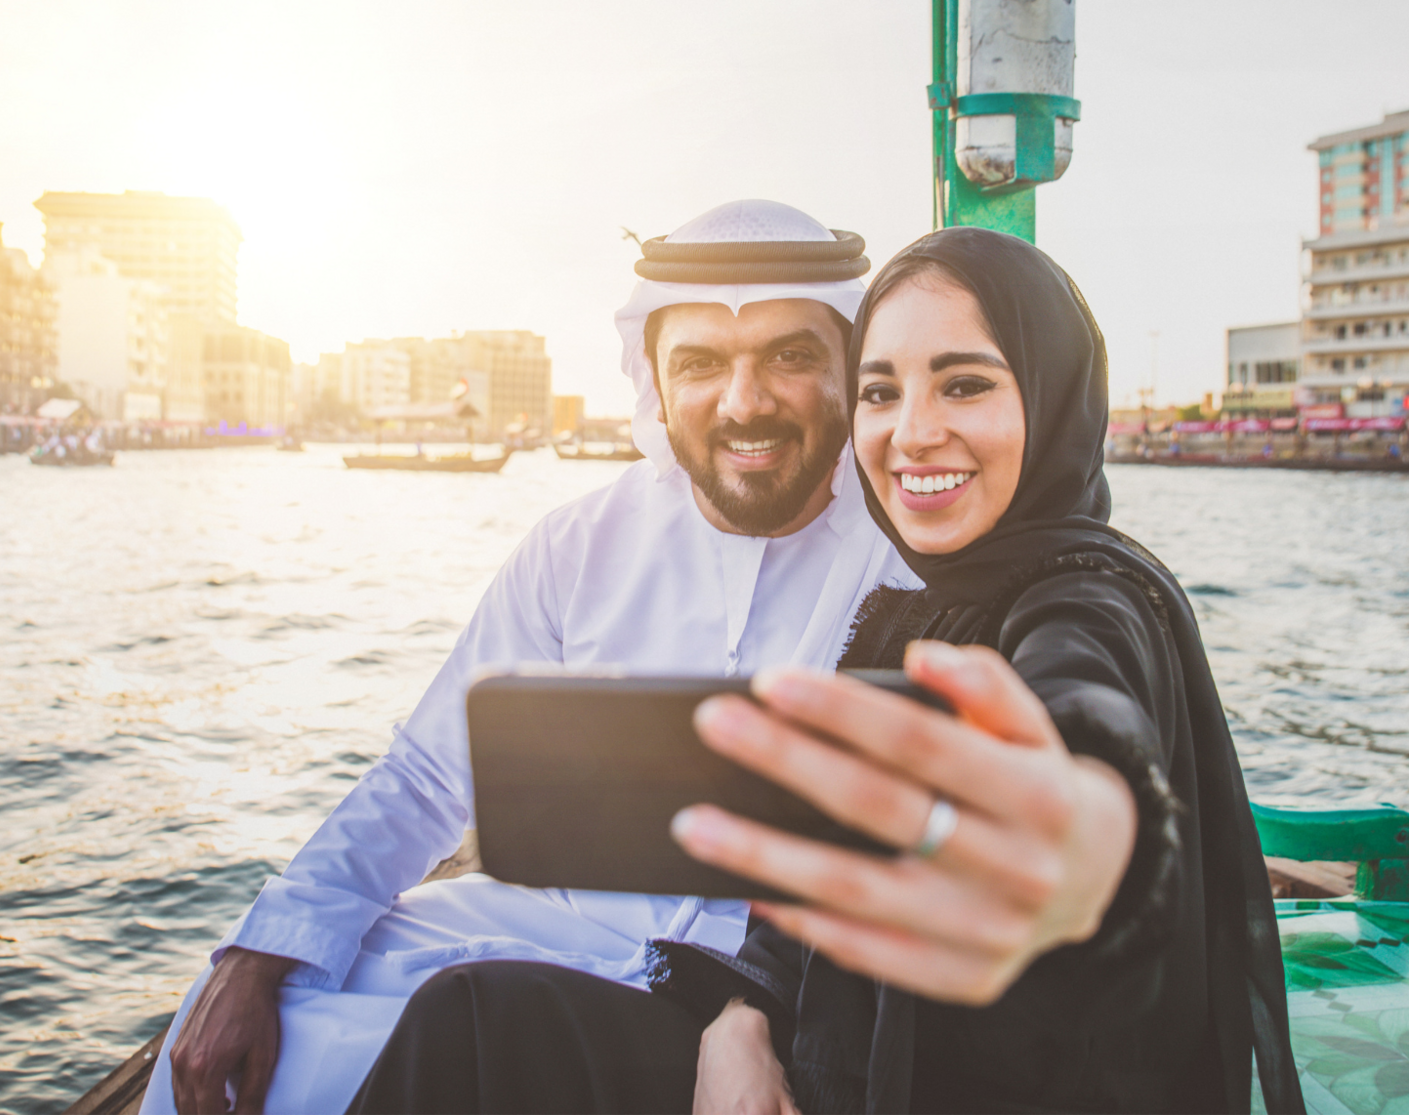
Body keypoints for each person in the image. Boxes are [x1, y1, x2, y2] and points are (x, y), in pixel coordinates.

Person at [347, 228, 1302, 1114]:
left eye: (964, 384)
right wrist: (744, 1015)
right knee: (477, 1012)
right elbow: (810, 881)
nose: (912, 432)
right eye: (882, 391)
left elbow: (1085, 726)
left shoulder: (1091, 594)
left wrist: (1075, 837)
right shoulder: (910, 608)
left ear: (1051, 396)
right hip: (829, 1047)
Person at [144, 200, 918, 1115]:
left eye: (790, 356)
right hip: (551, 929)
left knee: (472, 1028)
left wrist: (746, 1008)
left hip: (771, 986)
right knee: (260, 1022)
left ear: (848, 374)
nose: (744, 401)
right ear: (657, 391)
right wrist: (260, 945)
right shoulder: (579, 545)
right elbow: (432, 773)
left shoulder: (907, 558)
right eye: (701, 364)